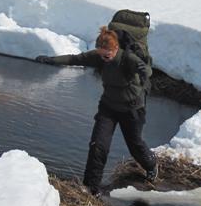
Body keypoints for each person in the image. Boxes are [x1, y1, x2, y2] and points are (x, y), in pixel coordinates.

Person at [35, 26, 158, 195]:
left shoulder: (128, 58)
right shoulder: (99, 56)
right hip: (108, 107)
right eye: (101, 53)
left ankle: (151, 165)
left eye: (107, 53)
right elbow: (74, 59)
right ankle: (91, 187)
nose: (104, 56)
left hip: (132, 110)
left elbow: (147, 69)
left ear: (115, 48)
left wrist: (144, 72)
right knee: (98, 146)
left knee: (135, 146)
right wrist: (51, 60)